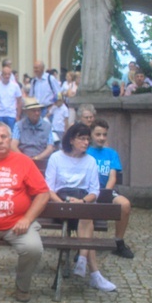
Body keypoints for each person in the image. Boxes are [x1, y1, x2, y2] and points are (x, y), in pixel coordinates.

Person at [0, 122, 50, 303]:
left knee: (33, 249)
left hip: (16, 224)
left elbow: (43, 193)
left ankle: (22, 286)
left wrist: (27, 218)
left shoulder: (24, 162)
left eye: (4, 137)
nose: (0, 141)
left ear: (10, 139)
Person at [45, 123, 117, 292]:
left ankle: (83, 259)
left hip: (82, 202)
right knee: (87, 218)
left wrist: (83, 202)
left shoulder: (90, 161)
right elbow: (48, 188)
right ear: (71, 140)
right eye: (82, 139)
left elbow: (94, 191)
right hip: (60, 202)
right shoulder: (56, 157)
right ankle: (93, 272)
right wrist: (61, 204)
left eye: (87, 139)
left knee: (85, 214)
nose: (86, 143)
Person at [87, 119, 134, 258]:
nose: (101, 138)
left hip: (105, 191)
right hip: (88, 192)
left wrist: (105, 193)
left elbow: (112, 176)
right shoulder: (86, 152)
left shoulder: (111, 153)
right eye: (98, 134)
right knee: (83, 207)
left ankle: (119, 242)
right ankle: (82, 245)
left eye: (104, 135)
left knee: (125, 205)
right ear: (91, 135)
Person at [11, 97, 55, 164]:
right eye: (33, 111)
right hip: (22, 160)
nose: (37, 113)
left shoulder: (48, 126)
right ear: (26, 112)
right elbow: (13, 146)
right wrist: (25, 159)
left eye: (38, 110)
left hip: (41, 160)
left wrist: (37, 158)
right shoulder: (18, 125)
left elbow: (50, 148)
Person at [0, 65, 23, 130]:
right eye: (5, 74)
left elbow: (19, 101)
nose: (7, 76)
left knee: (11, 133)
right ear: (1, 75)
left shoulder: (15, 86)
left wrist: (18, 115)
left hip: (11, 114)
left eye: (9, 74)